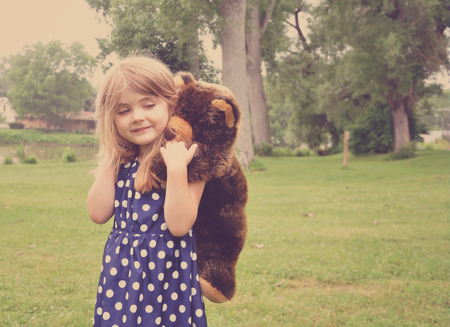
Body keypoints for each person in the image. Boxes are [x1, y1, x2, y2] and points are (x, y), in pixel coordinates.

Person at [87, 56, 208, 326]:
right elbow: (97, 213)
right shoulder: (122, 160)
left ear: (171, 103)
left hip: (168, 277)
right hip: (121, 276)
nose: (137, 116)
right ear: (111, 118)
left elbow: (179, 226)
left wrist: (177, 171)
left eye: (148, 104)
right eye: (123, 110)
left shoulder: (190, 157)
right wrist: (109, 159)